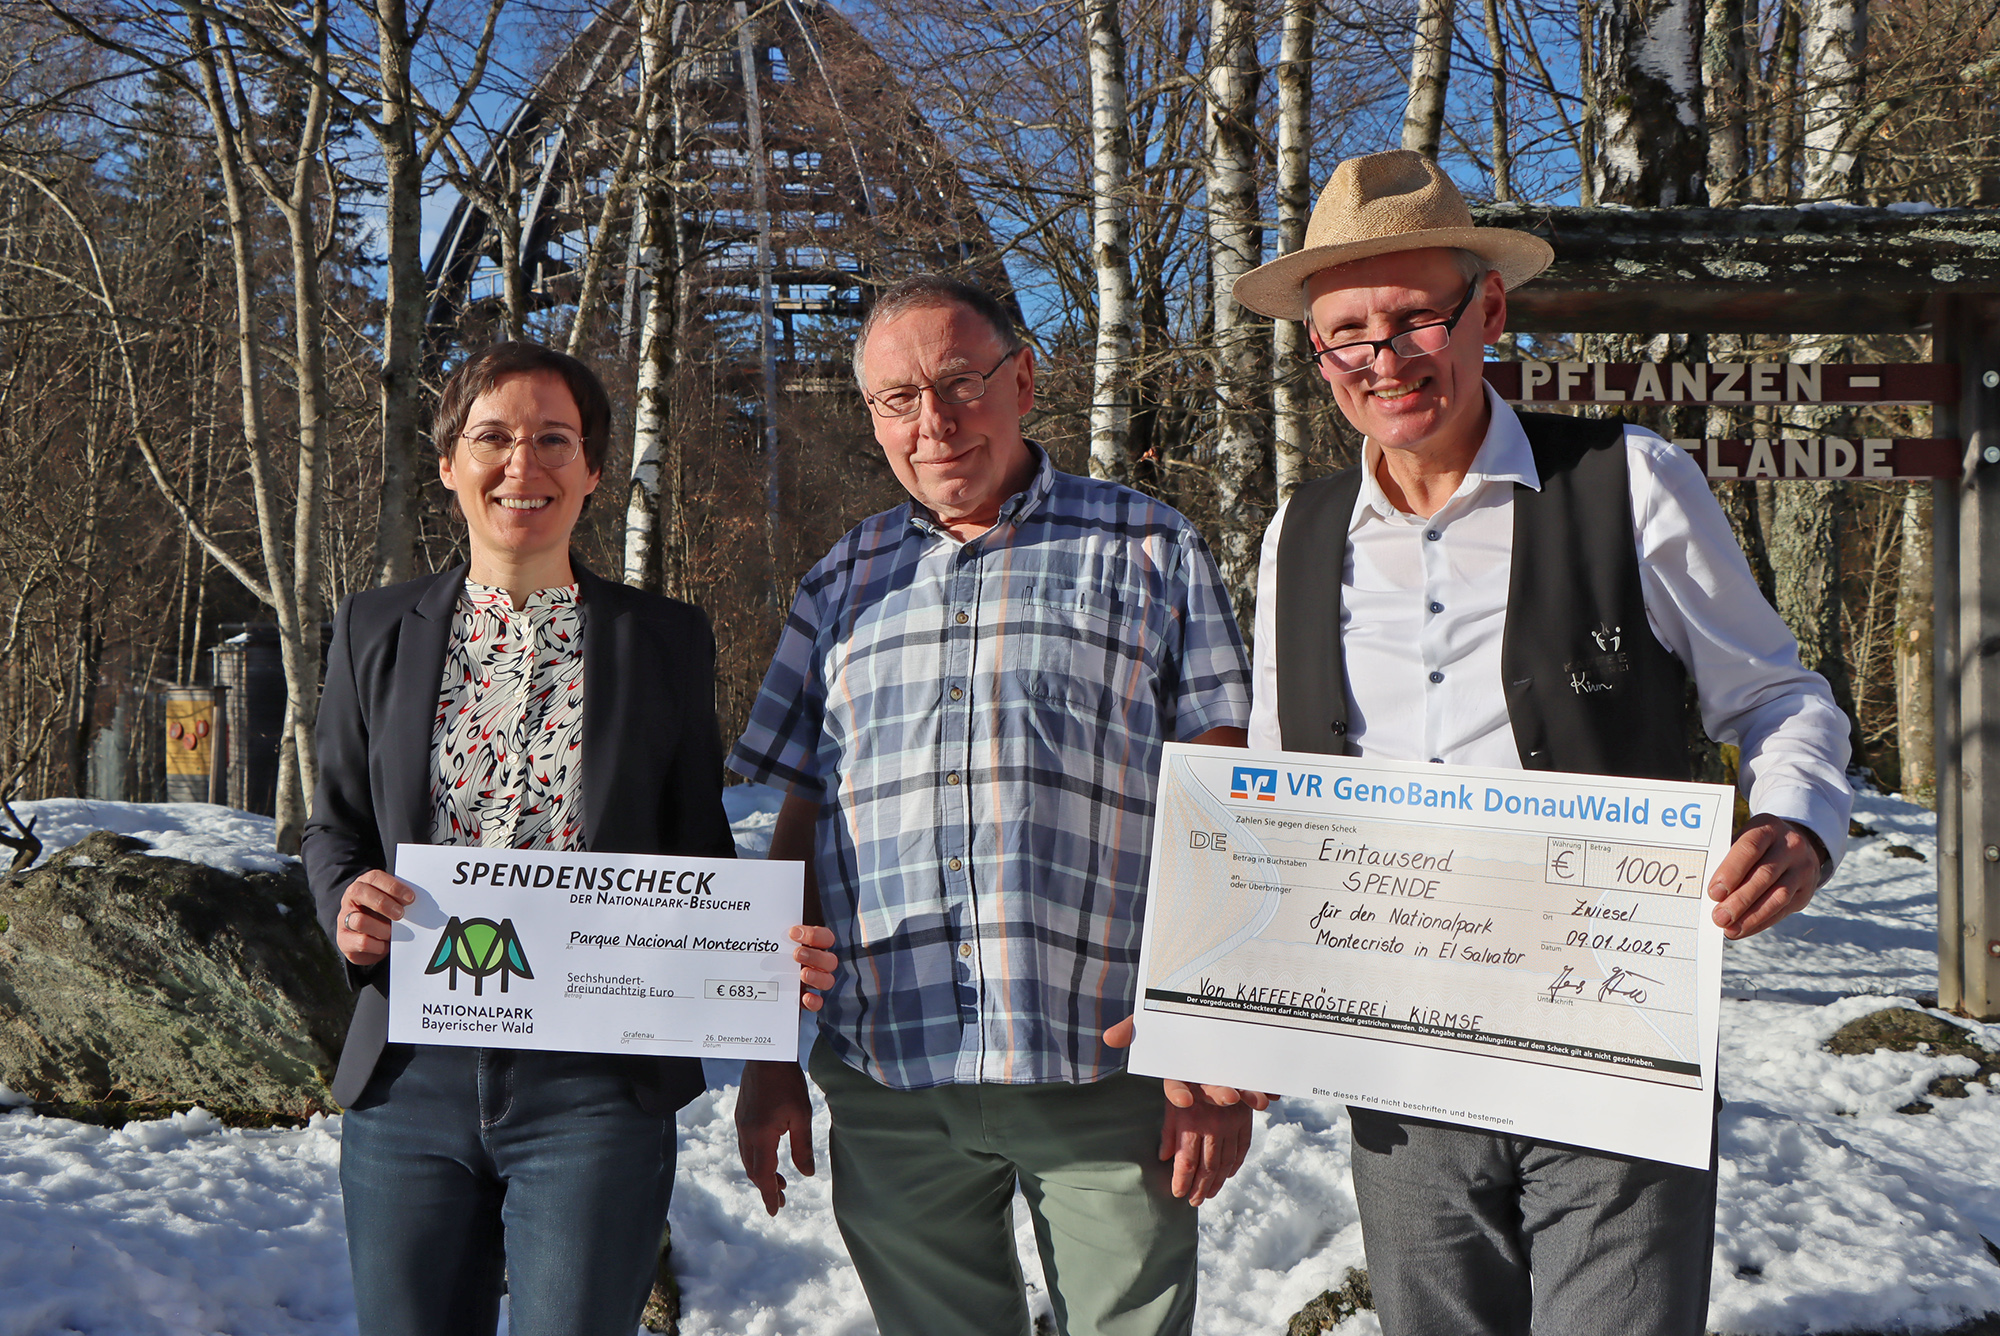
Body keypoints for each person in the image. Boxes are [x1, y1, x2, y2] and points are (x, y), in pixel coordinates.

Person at [1229, 149, 1854, 1336]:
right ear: (1316, 353)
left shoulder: (1630, 481)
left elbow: (1778, 698)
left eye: (1416, 317)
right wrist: (1220, 993)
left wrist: (1795, 819)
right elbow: (1278, 795)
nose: (1383, 358)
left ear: (1488, 311)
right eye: (1346, 332)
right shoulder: (1296, 536)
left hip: (1609, 1040)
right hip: (1398, 1064)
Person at [728, 275, 1263, 1336]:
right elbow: (797, 824)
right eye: (896, 399)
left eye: (960, 382)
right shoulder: (839, 582)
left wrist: (1220, 1036)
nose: (933, 422)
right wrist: (762, 1052)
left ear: (1022, 378)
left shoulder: (1150, 549)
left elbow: (1227, 804)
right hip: (891, 1079)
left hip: (1103, 1070)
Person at [303, 341, 741, 1336]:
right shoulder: (375, 629)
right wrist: (346, 903)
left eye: (553, 440)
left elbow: (695, 846)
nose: (522, 465)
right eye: (492, 437)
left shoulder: (662, 640)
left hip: (593, 1087)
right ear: (449, 461)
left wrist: (748, 954)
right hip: (410, 1075)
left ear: (592, 470)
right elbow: (333, 826)